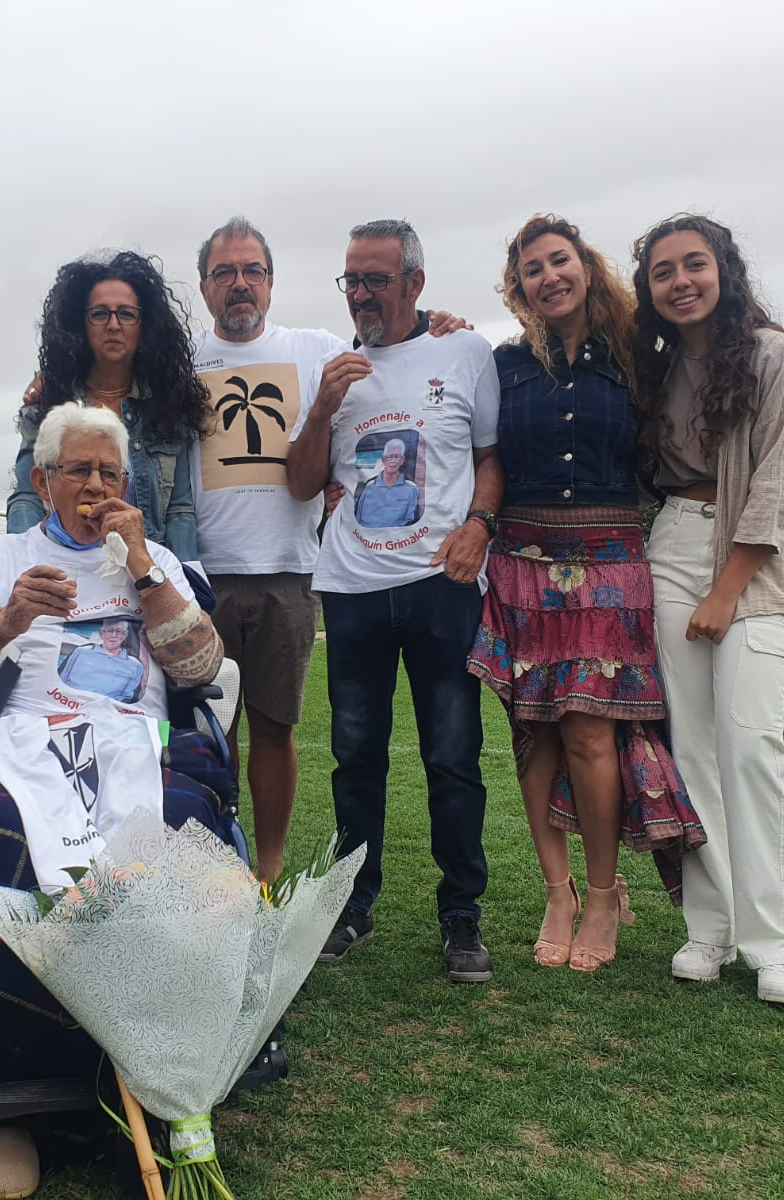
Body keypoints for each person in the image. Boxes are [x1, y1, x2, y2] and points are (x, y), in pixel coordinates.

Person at [0, 403, 224, 1200]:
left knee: (184, 830)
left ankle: (160, 1074)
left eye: (109, 472)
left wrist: (145, 568)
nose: (94, 485)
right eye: (77, 470)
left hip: (132, 743)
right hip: (19, 742)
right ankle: (1, 1105)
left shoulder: (154, 563)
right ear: (42, 480)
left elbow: (201, 665)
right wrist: (4, 621)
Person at [188, 216, 470, 881]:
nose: (239, 285)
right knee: (208, 735)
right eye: (224, 272)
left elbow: (395, 352)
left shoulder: (314, 347)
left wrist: (440, 325)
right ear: (203, 285)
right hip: (199, 577)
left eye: (252, 271)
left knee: (276, 728)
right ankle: (213, 866)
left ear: (272, 281)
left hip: (288, 574)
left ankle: (269, 867)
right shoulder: (180, 358)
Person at [468, 214, 700, 972]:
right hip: (521, 559)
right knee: (534, 732)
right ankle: (557, 891)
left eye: (558, 261)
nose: (549, 277)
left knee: (592, 731)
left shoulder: (642, 357)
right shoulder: (502, 367)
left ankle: (604, 894)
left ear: (586, 268)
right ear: (519, 287)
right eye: (532, 269)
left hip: (610, 559)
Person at [630, 213, 784, 1007]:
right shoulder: (653, 367)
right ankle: (709, 928)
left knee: (753, 746)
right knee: (691, 751)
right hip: (673, 545)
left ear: (725, 270)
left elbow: (782, 478)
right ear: (649, 290)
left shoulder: (773, 354)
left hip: (756, 561)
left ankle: (772, 944)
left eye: (695, 265)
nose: (681, 281)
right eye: (663, 272)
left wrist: (727, 591)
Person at [288, 219, 502, 984]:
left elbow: (488, 459)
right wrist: (319, 410)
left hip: (442, 587)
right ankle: (352, 905)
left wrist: (479, 524)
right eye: (351, 279)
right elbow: (302, 482)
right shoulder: (328, 364)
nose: (361, 294)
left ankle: (461, 915)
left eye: (376, 278)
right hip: (349, 589)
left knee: (453, 755)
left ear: (415, 281)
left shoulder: (466, 351)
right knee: (355, 758)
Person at [7, 250, 209, 561]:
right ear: (80, 324)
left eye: (126, 313)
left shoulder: (167, 409)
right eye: (100, 313)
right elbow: (26, 498)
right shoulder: (46, 407)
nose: (113, 324)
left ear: (145, 327)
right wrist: (21, 569)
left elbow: (179, 510)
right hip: (66, 575)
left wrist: (184, 580)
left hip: (145, 577)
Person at [58, 614, 145, 702]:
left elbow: (128, 697)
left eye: (119, 631)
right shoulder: (81, 652)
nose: (114, 635)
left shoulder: (135, 665)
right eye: (110, 631)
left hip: (107, 709)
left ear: (125, 635)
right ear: (101, 634)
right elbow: (61, 681)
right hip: (68, 702)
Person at [353, 436, 421, 526]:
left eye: (396, 457)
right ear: (383, 460)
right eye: (389, 456)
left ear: (402, 460)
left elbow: (410, 522)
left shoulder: (412, 489)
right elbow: (358, 519)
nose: (393, 460)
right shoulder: (369, 486)